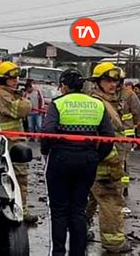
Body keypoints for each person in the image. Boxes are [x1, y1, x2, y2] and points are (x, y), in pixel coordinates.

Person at [40, 69, 114, 256]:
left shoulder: (58, 103)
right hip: (88, 160)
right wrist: (97, 157)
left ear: (64, 86)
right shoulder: (97, 104)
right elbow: (108, 136)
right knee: (78, 210)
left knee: (58, 211)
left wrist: (45, 151)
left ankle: (58, 253)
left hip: (61, 159)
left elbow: (47, 132)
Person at [86, 62, 133, 253]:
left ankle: (80, 229)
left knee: (90, 199)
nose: (113, 84)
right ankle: (114, 243)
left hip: (110, 162)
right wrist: (113, 158)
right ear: (97, 82)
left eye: (116, 81)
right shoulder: (97, 103)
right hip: (106, 164)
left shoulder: (113, 101)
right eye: (108, 80)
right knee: (111, 202)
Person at [0, 61, 38, 224]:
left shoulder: (10, 93)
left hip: (15, 141)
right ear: (4, 80)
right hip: (11, 143)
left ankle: (18, 209)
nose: (16, 81)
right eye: (12, 78)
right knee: (18, 177)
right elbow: (20, 110)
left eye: (16, 77)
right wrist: (27, 102)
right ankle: (18, 210)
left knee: (19, 178)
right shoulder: (3, 95)